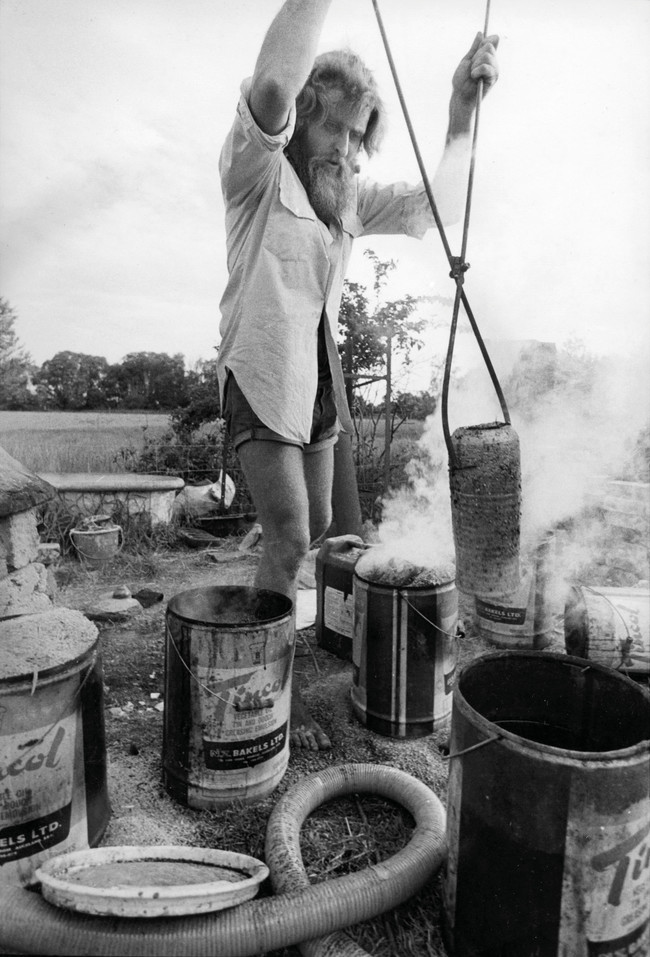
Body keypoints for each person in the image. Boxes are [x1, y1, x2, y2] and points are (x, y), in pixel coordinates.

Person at [217, 0, 499, 750]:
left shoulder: (344, 205)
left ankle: (262, 643)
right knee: (288, 536)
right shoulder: (256, 173)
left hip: (313, 378)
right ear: (303, 120)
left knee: (305, 535)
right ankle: (256, 697)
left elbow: (431, 207)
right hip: (260, 366)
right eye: (331, 125)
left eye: (354, 133)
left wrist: (457, 110)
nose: (343, 146)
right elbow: (273, 85)